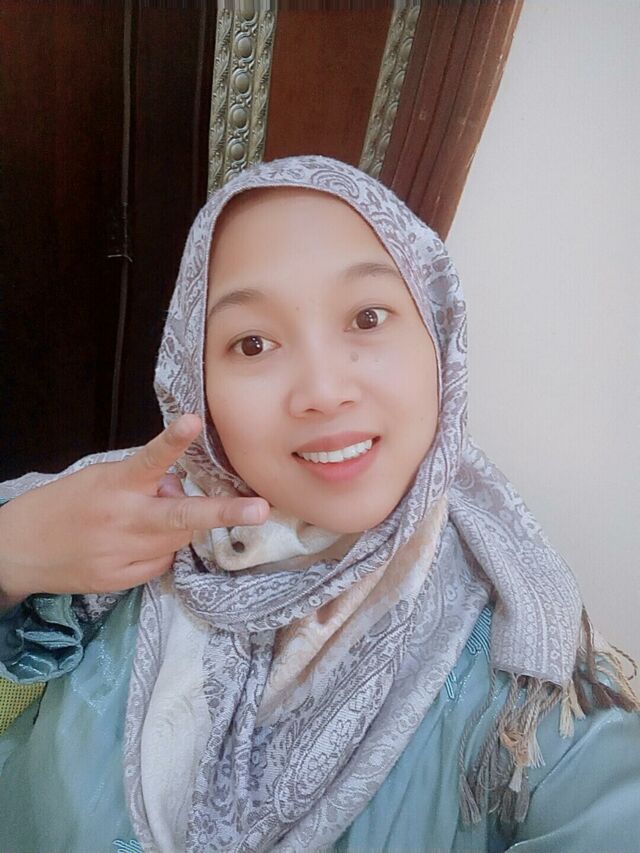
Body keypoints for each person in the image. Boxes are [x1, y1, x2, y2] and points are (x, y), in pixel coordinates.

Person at [0, 155, 638, 853]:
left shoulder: (515, 662)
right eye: (253, 343)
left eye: (368, 317)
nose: (324, 390)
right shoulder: (115, 518)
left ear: (439, 335)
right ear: (195, 382)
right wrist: (14, 550)